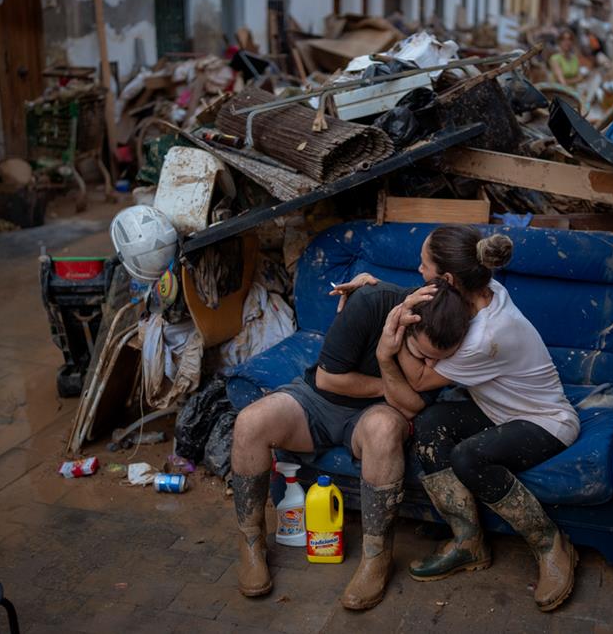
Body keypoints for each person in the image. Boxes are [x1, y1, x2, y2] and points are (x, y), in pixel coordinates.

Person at [330, 224, 580, 612]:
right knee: (429, 425)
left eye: (423, 264)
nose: (417, 270)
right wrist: (374, 289)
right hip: (496, 410)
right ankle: (468, 543)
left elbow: (417, 380)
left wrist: (391, 334)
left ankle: (551, 544)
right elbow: (427, 298)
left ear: (446, 278)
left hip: (544, 420)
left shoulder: (485, 336)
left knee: (468, 457)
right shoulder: (483, 289)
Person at [231, 279, 470, 610]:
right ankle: (251, 542)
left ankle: (376, 556)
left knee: (384, 428)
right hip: (319, 399)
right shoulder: (371, 302)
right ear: (404, 322)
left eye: (438, 362)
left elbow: (412, 407)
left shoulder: (454, 335)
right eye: (421, 355)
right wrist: (390, 385)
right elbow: (328, 380)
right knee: (250, 423)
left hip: (376, 415)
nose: (429, 369)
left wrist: (388, 361)